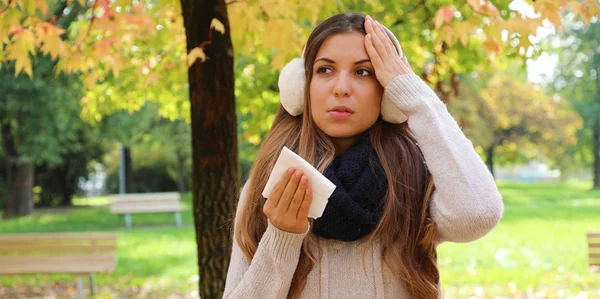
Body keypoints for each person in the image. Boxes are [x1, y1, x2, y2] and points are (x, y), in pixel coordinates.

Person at [223, 12, 504, 299]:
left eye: (363, 72)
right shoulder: (272, 182)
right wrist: (282, 237)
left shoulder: (414, 176)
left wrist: (416, 98)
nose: (341, 88)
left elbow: (479, 213)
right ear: (301, 87)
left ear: (388, 93)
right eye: (325, 70)